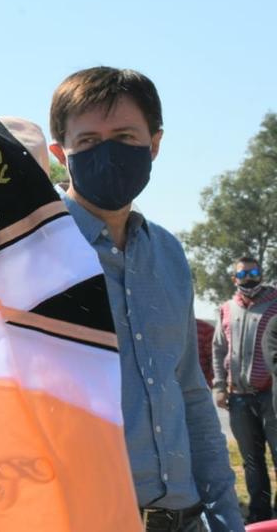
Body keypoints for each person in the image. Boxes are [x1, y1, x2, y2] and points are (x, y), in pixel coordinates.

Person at [48, 66, 242, 531]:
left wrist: (225, 515)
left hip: (184, 518)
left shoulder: (169, 254)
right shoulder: (32, 252)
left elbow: (190, 392)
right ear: (61, 153)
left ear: (154, 144)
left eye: (125, 137)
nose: (108, 152)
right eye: (89, 142)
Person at [214, 256, 277, 523]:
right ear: (234, 279)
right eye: (243, 274)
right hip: (239, 397)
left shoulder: (274, 303)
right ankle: (259, 514)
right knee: (251, 461)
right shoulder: (227, 308)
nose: (249, 278)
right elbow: (218, 349)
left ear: (261, 273)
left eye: (253, 272)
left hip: (271, 396)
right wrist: (219, 386)